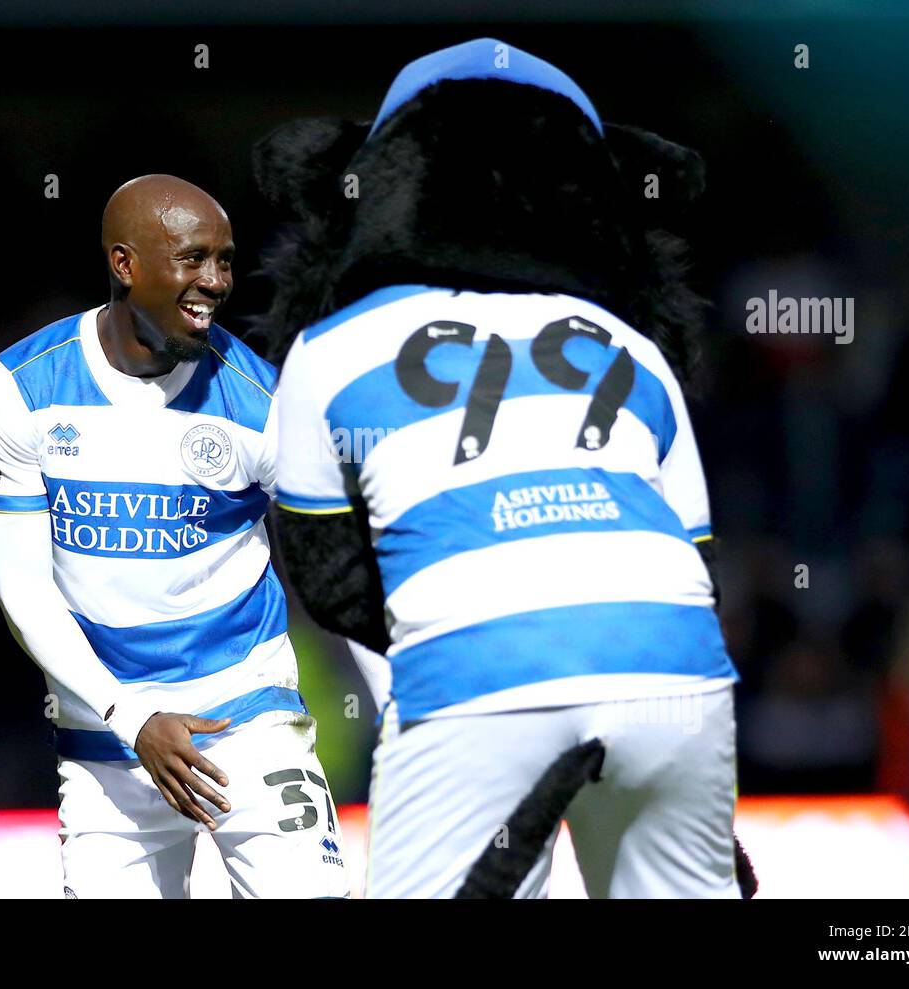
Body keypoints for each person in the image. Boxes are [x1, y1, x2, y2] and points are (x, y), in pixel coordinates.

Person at [258, 39, 742, 898]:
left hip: (471, 674)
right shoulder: (635, 349)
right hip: (675, 674)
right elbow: (694, 565)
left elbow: (331, 581)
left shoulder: (326, 349)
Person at [0, 174, 348, 898]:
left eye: (226, 260)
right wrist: (131, 714)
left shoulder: (262, 400)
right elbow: (24, 592)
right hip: (108, 739)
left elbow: (336, 558)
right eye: (193, 258)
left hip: (247, 719)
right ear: (124, 264)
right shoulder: (21, 389)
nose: (215, 282)